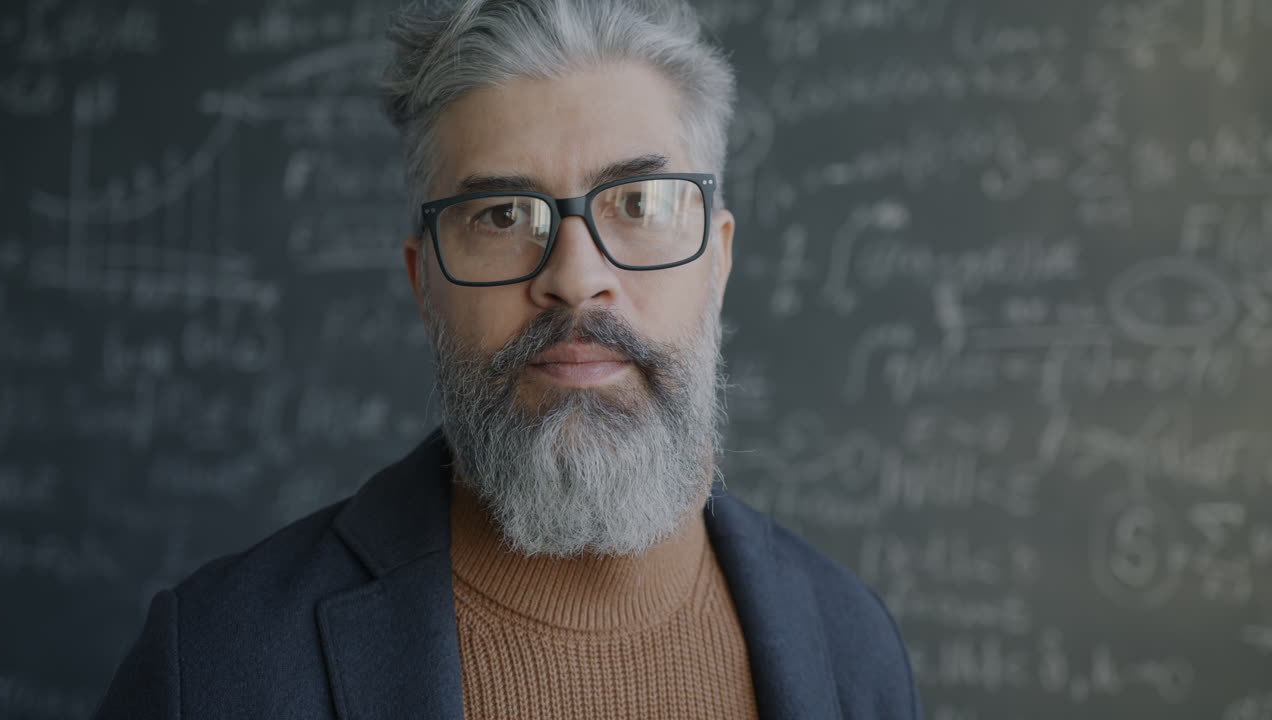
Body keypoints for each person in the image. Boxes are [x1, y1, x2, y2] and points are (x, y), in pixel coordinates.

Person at [96, 1, 922, 717]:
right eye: (499, 216)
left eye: (638, 203)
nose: (575, 279)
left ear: (718, 258)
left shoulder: (857, 649)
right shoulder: (208, 669)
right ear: (425, 286)